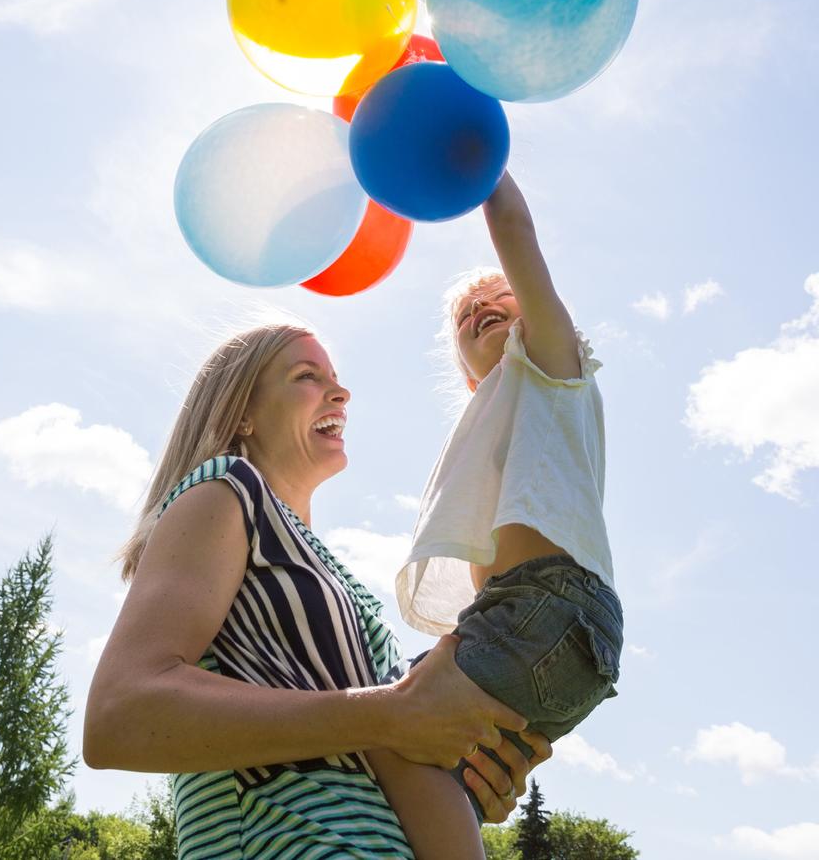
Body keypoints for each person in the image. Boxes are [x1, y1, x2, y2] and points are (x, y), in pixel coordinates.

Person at [83, 322, 551, 859]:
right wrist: (389, 714)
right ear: (242, 414)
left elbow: (376, 742)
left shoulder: (329, 572)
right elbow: (121, 714)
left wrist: (465, 764)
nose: (341, 392)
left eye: (336, 378)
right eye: (307, 375)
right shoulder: (229, 488)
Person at [367, 171, 624, 859]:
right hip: (535, 627)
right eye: (463, 316)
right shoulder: (492, 422)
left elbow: (515, 231)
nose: (478, 307)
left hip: (548, 608)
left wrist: (478, 160)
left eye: (496, 298)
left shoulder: (550, 364)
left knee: (381, 725)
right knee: (420, 788)